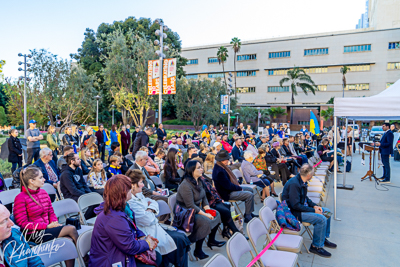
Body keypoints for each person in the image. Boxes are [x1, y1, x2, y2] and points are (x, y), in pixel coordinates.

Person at [89, 175, 162, 267]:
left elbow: (132, 227)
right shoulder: (113, 218)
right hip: (110, 261)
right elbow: (130, 247)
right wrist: (147, 243)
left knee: (157, 257)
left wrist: (143, 237)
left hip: (119, 252)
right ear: (122, 193)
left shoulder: (122, 207)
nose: (131, 191)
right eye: (128, 189)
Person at [13, 166, 78, 267]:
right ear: (31, 181)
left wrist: (54, 223)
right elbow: (23, 225)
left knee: (68, 241)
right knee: (71, 229)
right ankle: (85, 258)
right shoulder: (20, 198)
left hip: (48, 229)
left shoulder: (43, 193)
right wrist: (46, 226)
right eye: (41, 177)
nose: (44, 179)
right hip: (33, 234)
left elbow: (51, 212)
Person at [126, 169, 191, 267]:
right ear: (133, 185)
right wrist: (151, 211)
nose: (143, 185)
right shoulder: (131, 201)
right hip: (148, 232)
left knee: (182, 240)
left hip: (155, 227)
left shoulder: (138, 194)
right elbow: (148, 220)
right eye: (141, 182)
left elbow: (152, 202)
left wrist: (149, 209)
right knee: (180, 241)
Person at [282, 164, 336, 257]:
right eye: (313, 173)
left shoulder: (301, 180)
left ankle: (322, 238)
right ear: (308, 175)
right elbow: (295, 206)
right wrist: (313, 210)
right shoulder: (294, 184)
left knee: (327, 211)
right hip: (294, 213)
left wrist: (314, 206)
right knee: (321, 219)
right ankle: (316, 246)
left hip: (300, 208)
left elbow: (305, 198)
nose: (313, 174)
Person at [176, 160, 224, 260]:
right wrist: (206, 215)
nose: (202, 169)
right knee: (204, 221)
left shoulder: (199, 181)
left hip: (196, 209)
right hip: (185, 213)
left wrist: (208, 209)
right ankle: (194, 247)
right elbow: (190, 205)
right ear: (191, 170)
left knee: (217, 214)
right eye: (198, 168)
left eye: (201, 167)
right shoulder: (185, 185)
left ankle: (211, 240)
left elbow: (204, 197)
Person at [212, 150, 257, 223]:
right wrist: (239, 188)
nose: (228, 160)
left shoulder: (222, 166)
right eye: (227, 159)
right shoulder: (219, 171)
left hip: (230, 189)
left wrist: (238, 186)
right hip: (227, 193)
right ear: (223, 160)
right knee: (249, 195)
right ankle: (248, 217)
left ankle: (248, 213)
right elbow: (228, 186)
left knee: (250, 190)